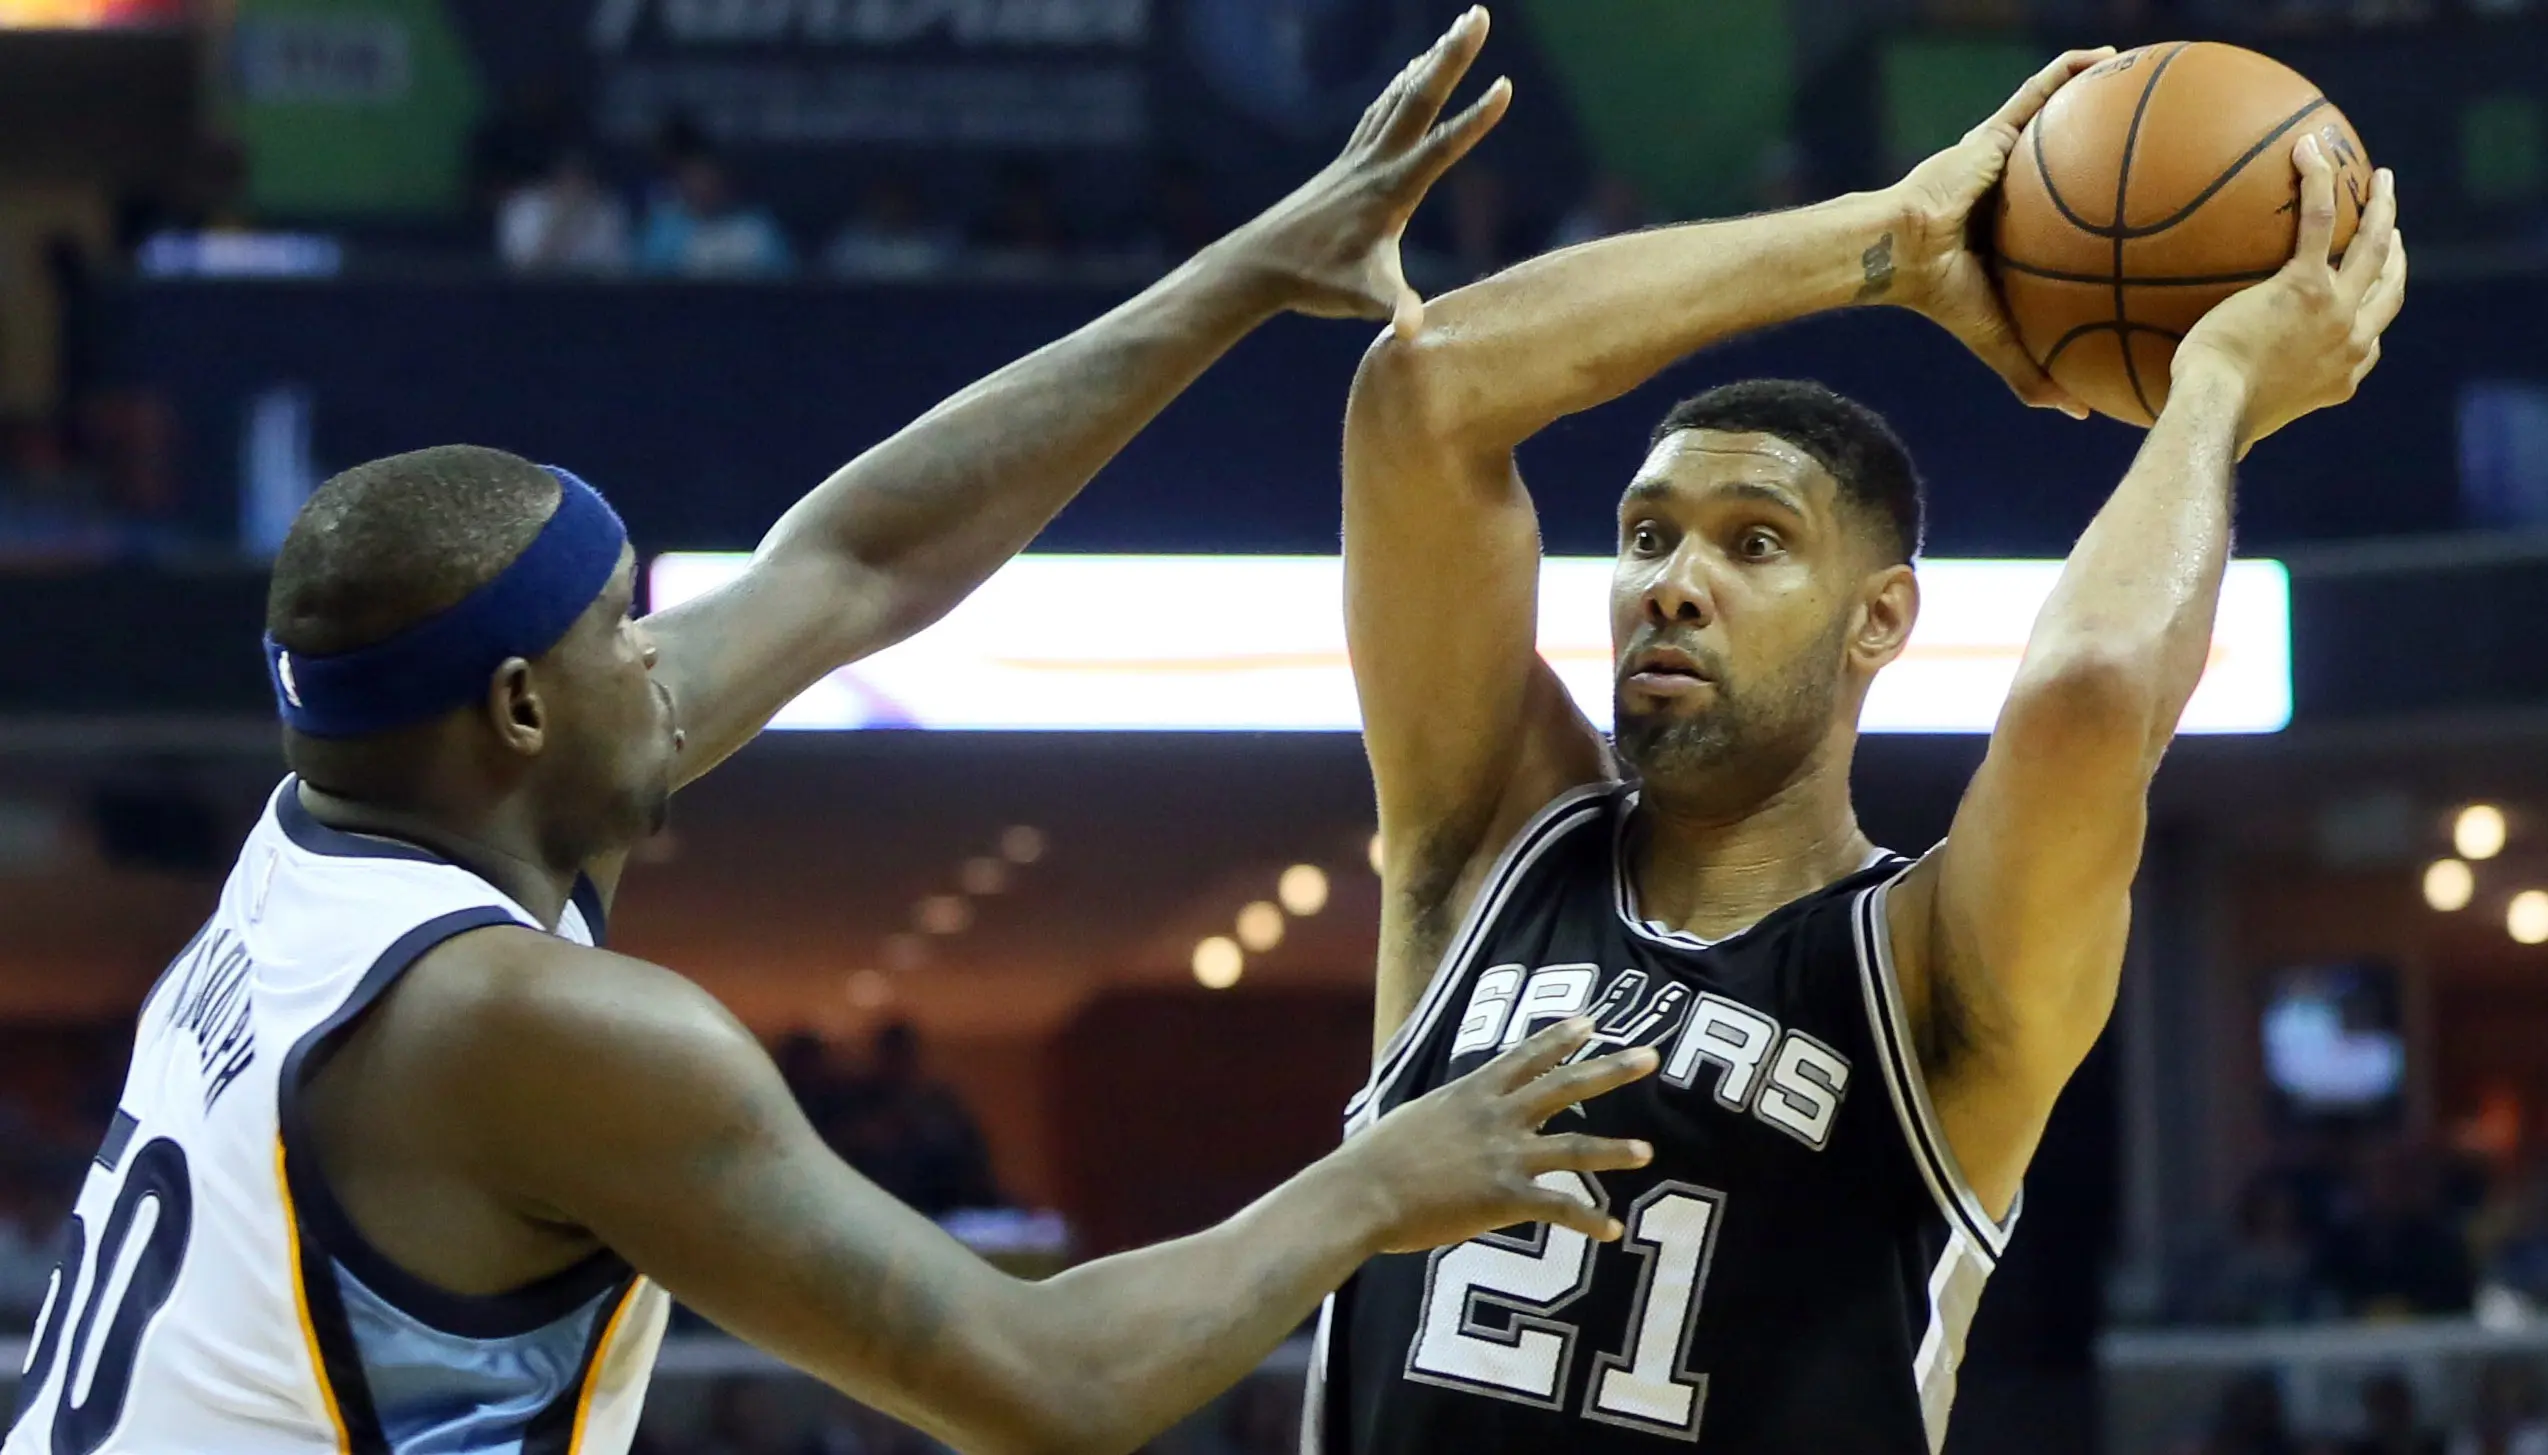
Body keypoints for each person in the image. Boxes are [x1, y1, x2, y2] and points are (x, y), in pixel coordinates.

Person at [0, 14, 1661, 1455]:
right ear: (515, 709)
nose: (664, 658)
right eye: (618, 636)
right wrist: (1385, 1175)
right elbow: (1046, 1386)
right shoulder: (528, 1028)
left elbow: (853, 564)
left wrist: (1246, 272)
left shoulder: (339, 829)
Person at [1314, 37, 2406, 1455]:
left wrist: (2216, 394)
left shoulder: (1928, 967)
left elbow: (2085, 689)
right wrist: (1886, 240)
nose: (1671, 580)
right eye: (1646, 535)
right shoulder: (1483, 850)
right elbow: (1424, 391)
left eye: (1754, 542)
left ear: (1879, 619)